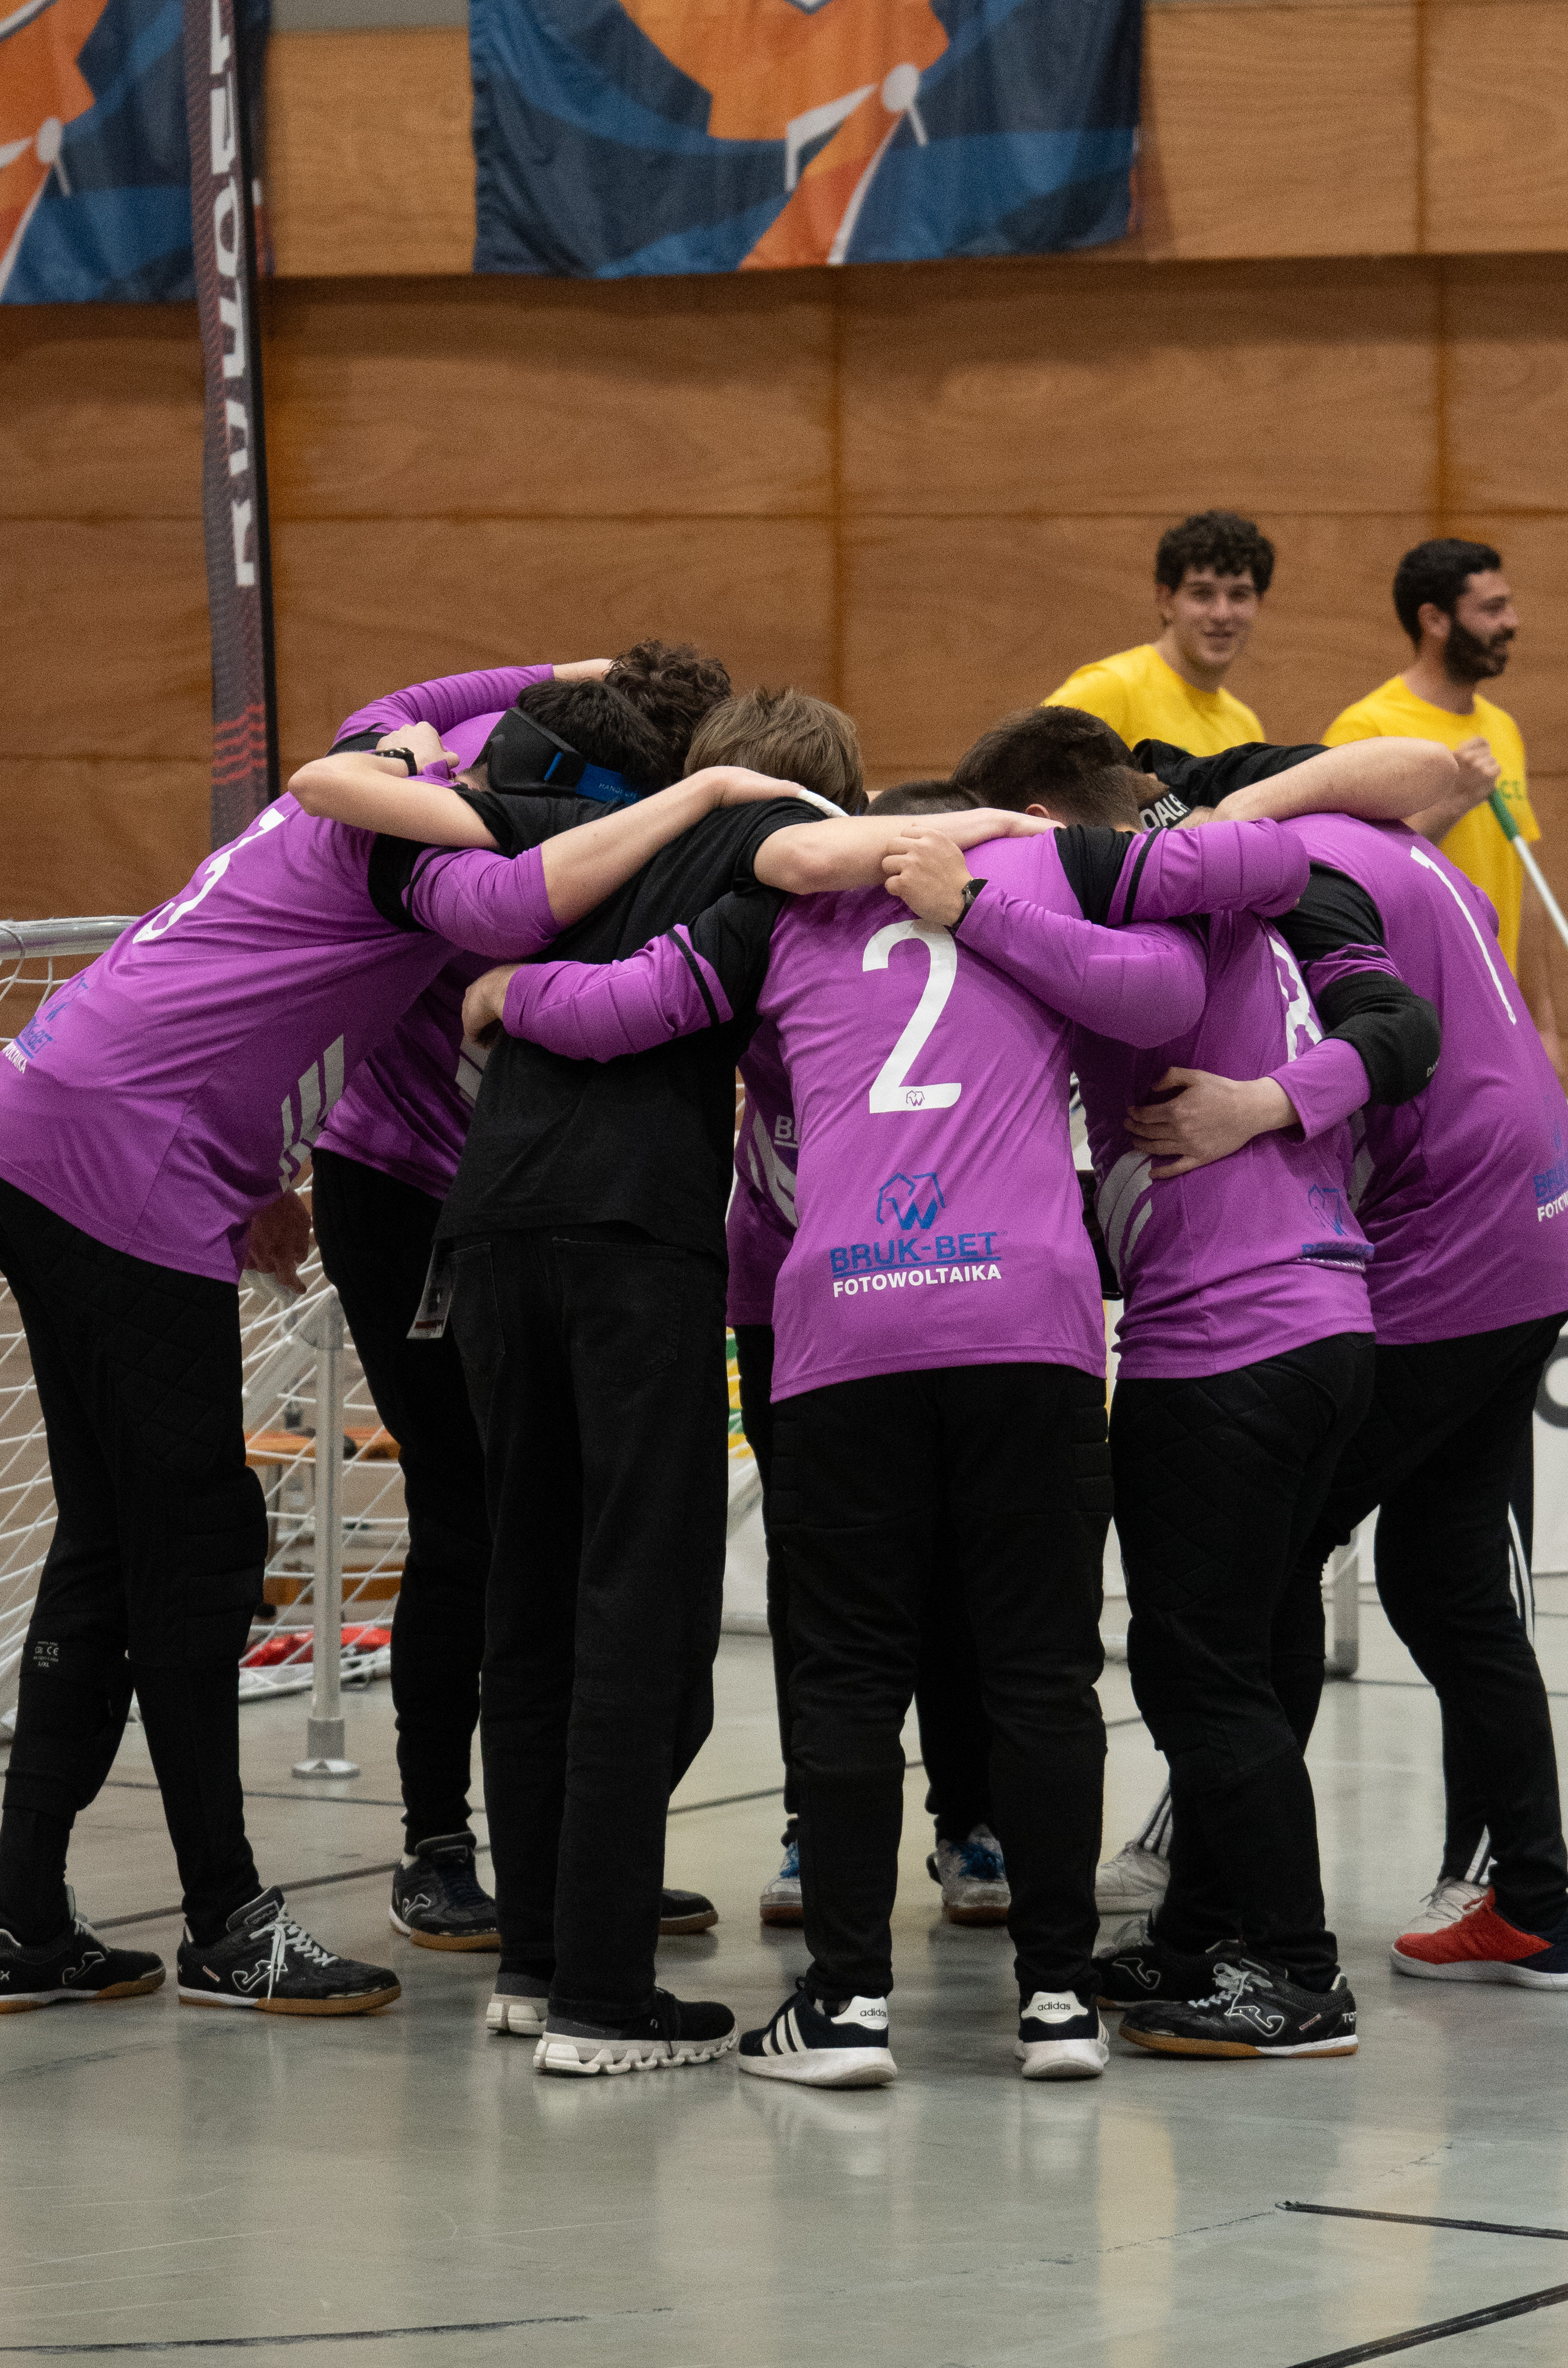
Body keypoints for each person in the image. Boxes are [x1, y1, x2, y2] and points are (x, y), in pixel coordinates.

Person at [474, 773, 1340, 2086]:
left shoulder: (782, 904)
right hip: (1027, 1323)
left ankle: (846, 2005)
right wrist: (991, 899)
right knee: (1041, 1672)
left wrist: (500, 993)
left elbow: (616, 1010)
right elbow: (1176, 982)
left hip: (846, 1331)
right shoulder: (1042, 873)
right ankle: (1056, 2000)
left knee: (847, 1678)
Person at [0, 682, 781, 2021]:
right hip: (125, 1167)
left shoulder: (385, 758)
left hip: (39, 1117)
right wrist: (706, 799)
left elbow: (421, 706)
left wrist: (575, 666)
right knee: (195, 1551)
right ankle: (225, 1920)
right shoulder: (426, 851)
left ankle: (24, 1920)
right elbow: (514, 910)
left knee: (110, 1544)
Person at [307, 721, 1042, 2079]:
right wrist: (1012, 830)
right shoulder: (753, 850)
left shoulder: (541, 827)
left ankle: (531, 1968)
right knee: (634, 1616)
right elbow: (818, 866)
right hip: (627, 1244)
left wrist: (492, 967)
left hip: (483, 1232)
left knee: (522, 1603)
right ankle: (603, 1998)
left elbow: (362, 803)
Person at [945, 709, 1442, 2061]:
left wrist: (973, 902)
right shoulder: (1236, 900)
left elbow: (1141, 999)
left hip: (1231, 1336)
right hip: (1321, 1314)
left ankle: (1293, 1967)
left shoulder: (1151, 919)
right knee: (1253, 1650)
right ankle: (1211, 1933)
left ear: (1048, 825)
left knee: (1197, 1667)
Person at [1121, 776, 1568, 1993]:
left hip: (1451, 1238)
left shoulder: (1287, 868)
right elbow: (1424, 765)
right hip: (1538, 1215)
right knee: (1444, 1585)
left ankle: (1234, 1912)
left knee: (1270, 1561)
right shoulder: (1391, 834)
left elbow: (1389, 1046)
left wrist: (1260, 1109)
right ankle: (1534, 1903)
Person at [308, 648, 729, 1959]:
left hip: (549, 1196)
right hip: (407, 1181)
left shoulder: (660, 805)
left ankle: (574, 1850)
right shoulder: (522, 782)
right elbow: (370, 727)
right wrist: (549, 670)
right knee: (470, 1511)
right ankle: (439, 1840)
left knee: (594, 1523)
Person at [732, 767, 1012, 1938]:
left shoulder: (978, 946)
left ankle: (971, 1818)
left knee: (959, 1565)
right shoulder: (780, 932)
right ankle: (814, 1820)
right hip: (785, 1285)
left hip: (943, 1281)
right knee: (816, 1574)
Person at [1322, 537, 1560, 1066]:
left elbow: (1527, 884)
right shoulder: (1368, 728)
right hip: (1420, 1018)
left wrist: (1543, 1023)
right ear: (1434, 620)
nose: (1512, 622)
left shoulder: (1502, 728)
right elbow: (1346, 878)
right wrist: (1452, 801)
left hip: (1505, 1018)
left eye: (1509, 605)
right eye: (1492, 609)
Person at [1046, 509, 1275, 759]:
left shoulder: (1246, 728)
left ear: (1258, 603)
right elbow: (1018, 778)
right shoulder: (1108, 689)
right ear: (1166, 601)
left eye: (1239, 595)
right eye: (1202, 594)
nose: (1222, 614)